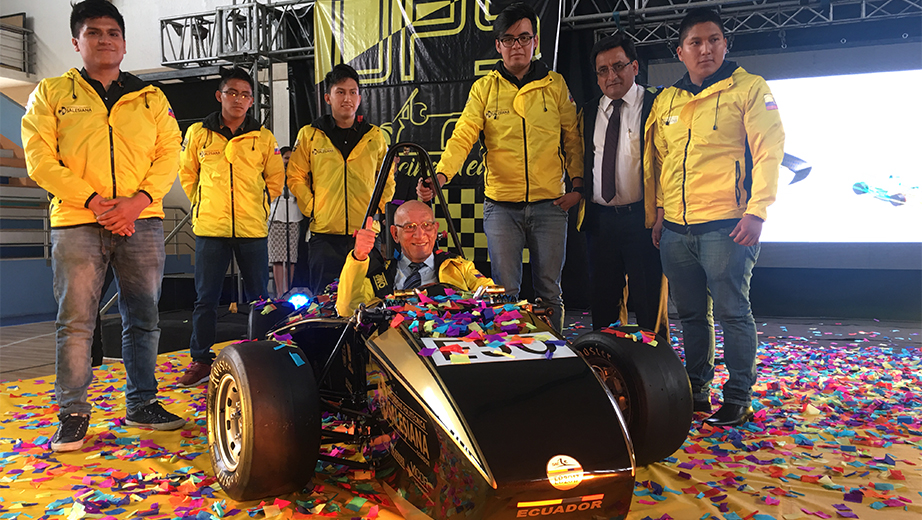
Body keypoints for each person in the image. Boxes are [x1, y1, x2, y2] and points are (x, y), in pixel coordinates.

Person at [22, 0, 184, 452]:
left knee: (145, 318)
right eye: (94, 32)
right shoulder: (52, 93)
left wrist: (139, 202)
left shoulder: (151, 98)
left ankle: (142, 403)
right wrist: (93, 201)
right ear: (77, 42)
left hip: (142, 222)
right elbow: (39, 160)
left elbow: (168, 153)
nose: (105, 39)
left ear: (125, 44)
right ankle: (73, 413)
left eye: (113, 32)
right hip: (77, 222)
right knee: (75, 322)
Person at [648, 8, 784, 426]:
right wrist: (658, 212)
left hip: (728, 226)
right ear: (681, 51)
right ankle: (696, 390)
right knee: (690, 315)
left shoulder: (749, 89)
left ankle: (738, 396)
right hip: (674, 230)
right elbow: (658, 160)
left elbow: (769, 151)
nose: (705, 49)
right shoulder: (667, 100)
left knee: (733, 314)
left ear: (726, 45)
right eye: (695, 42)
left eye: (713, 40)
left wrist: (757, 211)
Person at [418, 2, 582, 332]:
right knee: (504, 294)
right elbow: (462, 135)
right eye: (509, 39)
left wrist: (577, 186)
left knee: (550, 291)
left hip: (550, 205)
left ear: (535, 41)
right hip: (501, 207)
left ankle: (554, 361)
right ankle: (513, 361)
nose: (517, 46)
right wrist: (441, 174)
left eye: (524, 38)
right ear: (498, 45)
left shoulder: (556, 85)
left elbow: (572, 140)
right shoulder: (485, 88)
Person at [177, 67, 285, 387]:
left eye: (245, 95)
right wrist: (203, 203)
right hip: (211, 229)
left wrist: (260, 203)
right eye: (232, 93)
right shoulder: (199, 133)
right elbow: (188, 175)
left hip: (252, 229)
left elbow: (275, 179)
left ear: (252, 101)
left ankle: (261, 355)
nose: (238, 99)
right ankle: (200, 359)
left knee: (259, 298)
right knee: (205, 298)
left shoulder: (263, 137)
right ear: (219, 95)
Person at [579, 34, 668, 336]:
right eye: (602, 70)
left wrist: (661, 210)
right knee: (603, 305)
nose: (611, 76)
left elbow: (667, 162)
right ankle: (609, 369)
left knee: (648, 304)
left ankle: (655, 374)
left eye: (618, 66)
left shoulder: (657, 105)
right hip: (600, 221)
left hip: (642, 221)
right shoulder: (589, 111)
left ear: (635, 66)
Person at [288, 64, 395, 297]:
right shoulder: (310, 134)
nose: (347, 98)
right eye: (340, 92)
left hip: (365, 235)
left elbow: (386, 178)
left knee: (368, 301)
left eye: (353, 92)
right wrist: (312, 206)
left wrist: (375, 209)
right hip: (324, 236)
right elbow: (295, 175)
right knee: (323, 301)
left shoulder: (374, 136)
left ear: (359, 97)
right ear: (328, 97)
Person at [337, 201, 494, 316]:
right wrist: (358, 257)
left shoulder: (460, 268)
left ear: (435, 229)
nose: (420, 235)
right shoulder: (379, 275)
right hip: (399, 354)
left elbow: (494, 298)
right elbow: (347, 309)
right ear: (394, 234)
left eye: (426, 225)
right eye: (409, 227)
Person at [268, 146, 300, 297]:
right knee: (278, 259)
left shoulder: (297, 174)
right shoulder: (274, 173)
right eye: (286, 158)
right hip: (276, 216)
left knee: (291, 258)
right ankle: (280, 293)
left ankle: (288, 291)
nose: (289, 161)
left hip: (293, 216)